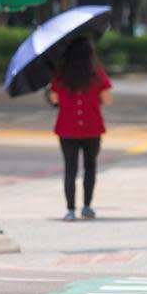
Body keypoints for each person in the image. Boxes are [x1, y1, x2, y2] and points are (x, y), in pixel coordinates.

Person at [49, 35, 113, 221]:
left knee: (70, 168)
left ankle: (70, 209)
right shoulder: (97, 74)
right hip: (92, 128)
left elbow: (54, 99)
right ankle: (87, 206)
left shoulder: (60, 75)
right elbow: (108, 100)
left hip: (66, 129)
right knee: (90, 167)